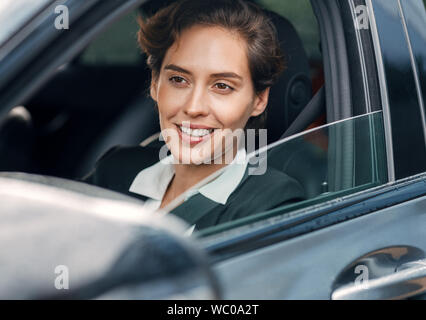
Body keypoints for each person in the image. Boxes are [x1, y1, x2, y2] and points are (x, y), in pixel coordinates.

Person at [83, 0, 306, 231]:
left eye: (222, 86)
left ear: (259, 100)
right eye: (179, 80)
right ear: (155, 83)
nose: (193, 107)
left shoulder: (270, 204)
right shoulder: (114, 169)